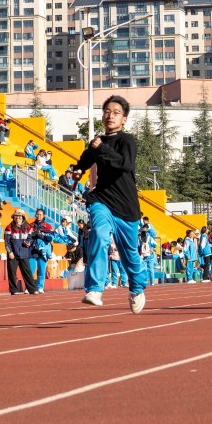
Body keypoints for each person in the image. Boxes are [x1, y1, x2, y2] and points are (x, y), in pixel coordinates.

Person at [72, 95, 148, 313]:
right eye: (107, 111)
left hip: (126, 206)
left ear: (124, 119)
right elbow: (83, 162)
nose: (110, 115)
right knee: (99, 234)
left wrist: (101, 149)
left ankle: (137, 288)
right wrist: (77, 170)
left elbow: (125, 165)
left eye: (116, 112)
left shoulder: (127, 141)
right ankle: (95, 289)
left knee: (130, 256)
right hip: (102, 200)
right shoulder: (96, 143)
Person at [4, 209, 39, 295]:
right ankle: (14, 290)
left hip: (24, 253)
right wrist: (10, 252)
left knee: (27, 272)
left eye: (19, 216)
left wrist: (28, 242)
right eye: (16, 216)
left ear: (23, 217)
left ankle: (32, 289)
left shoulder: (28, 227)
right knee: (12, 273)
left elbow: (30, 238)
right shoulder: (9, 227)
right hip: (13, 254)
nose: (18, 217)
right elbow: (7, 242)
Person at [29, 208, 55, 293]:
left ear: (44, 216)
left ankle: (40, 287)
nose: (38, 216)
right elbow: (27, 236)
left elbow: (51, 238)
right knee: (31, 270)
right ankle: (29, 287)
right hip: (32, 250)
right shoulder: (31, 225)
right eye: (37, 214)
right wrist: (34, 234)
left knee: (42, 270)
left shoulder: (48, 226)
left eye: (40, 214)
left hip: (43, 250)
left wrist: (41, 235)